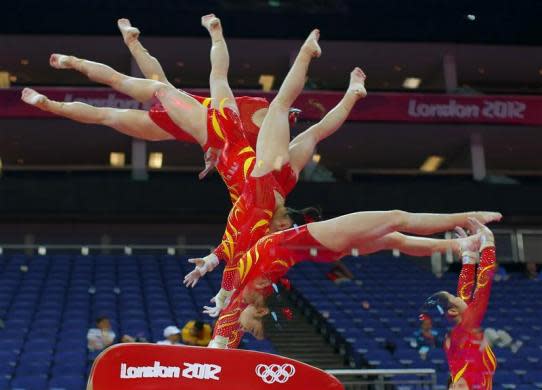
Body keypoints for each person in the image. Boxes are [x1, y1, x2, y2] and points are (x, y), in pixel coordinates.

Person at [178, 28, 367, 329]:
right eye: (286, 225)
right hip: (266, 171)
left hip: (259, 165)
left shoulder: (250, 213)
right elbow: (231, 254)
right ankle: (326, 70)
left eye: (280, 227)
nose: (285, 225)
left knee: (279, 110)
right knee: (294, 118)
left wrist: (215, 277)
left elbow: (229, 252)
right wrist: (220, 286)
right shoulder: (261, 199)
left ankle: (346, 87)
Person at [207, 213, 501, 349]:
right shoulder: (246, 295)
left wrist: (217, 285)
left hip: (315, 241)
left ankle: (462, 241)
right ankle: (467, 227)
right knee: (395, 223)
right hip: (315, 242)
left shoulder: (239, 292)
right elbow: (226, 334)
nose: (245, 328)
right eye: (252, 328)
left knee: (394, 234)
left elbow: (224, 334)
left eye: (249, 328)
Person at [422, 219, 498, 389]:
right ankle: (486, 243)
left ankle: (470, 253)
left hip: (463, 354)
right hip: (479, 362)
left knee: (462, 303)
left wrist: (468, 256)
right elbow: (481, 293)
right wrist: (487, 245)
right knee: (477, 298)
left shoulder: (455, 365)